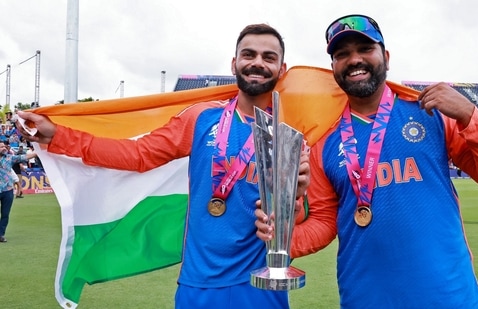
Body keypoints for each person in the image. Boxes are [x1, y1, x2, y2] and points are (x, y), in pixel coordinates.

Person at [16, 23, 310, 309]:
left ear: (281, 69)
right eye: (249, 54)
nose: (257, 63)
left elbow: (303, 213)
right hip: (199, 284)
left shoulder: (290, 135)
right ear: (234, 63)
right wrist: (60, 135)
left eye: (268, 57)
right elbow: (139, 154)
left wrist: (295, 208)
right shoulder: (201, 118)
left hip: (262, 283)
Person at [256, 14, 478, 308]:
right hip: (365, 299)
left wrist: (471, 114)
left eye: (365, 49)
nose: (354, 59)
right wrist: (282, 237)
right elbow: (325, 222)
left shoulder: (431, 114)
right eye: (342, 54)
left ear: (386, 57)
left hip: (450, 298)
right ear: (334, 68)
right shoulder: (323, 142)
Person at [1, 142, 37, 242]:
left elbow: (24, 157)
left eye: (4, 146)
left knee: (5, 214)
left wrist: (38, 152)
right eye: (1, 147)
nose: (4, 148)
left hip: (7, 190)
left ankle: (1, 234)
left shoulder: (9, 158)